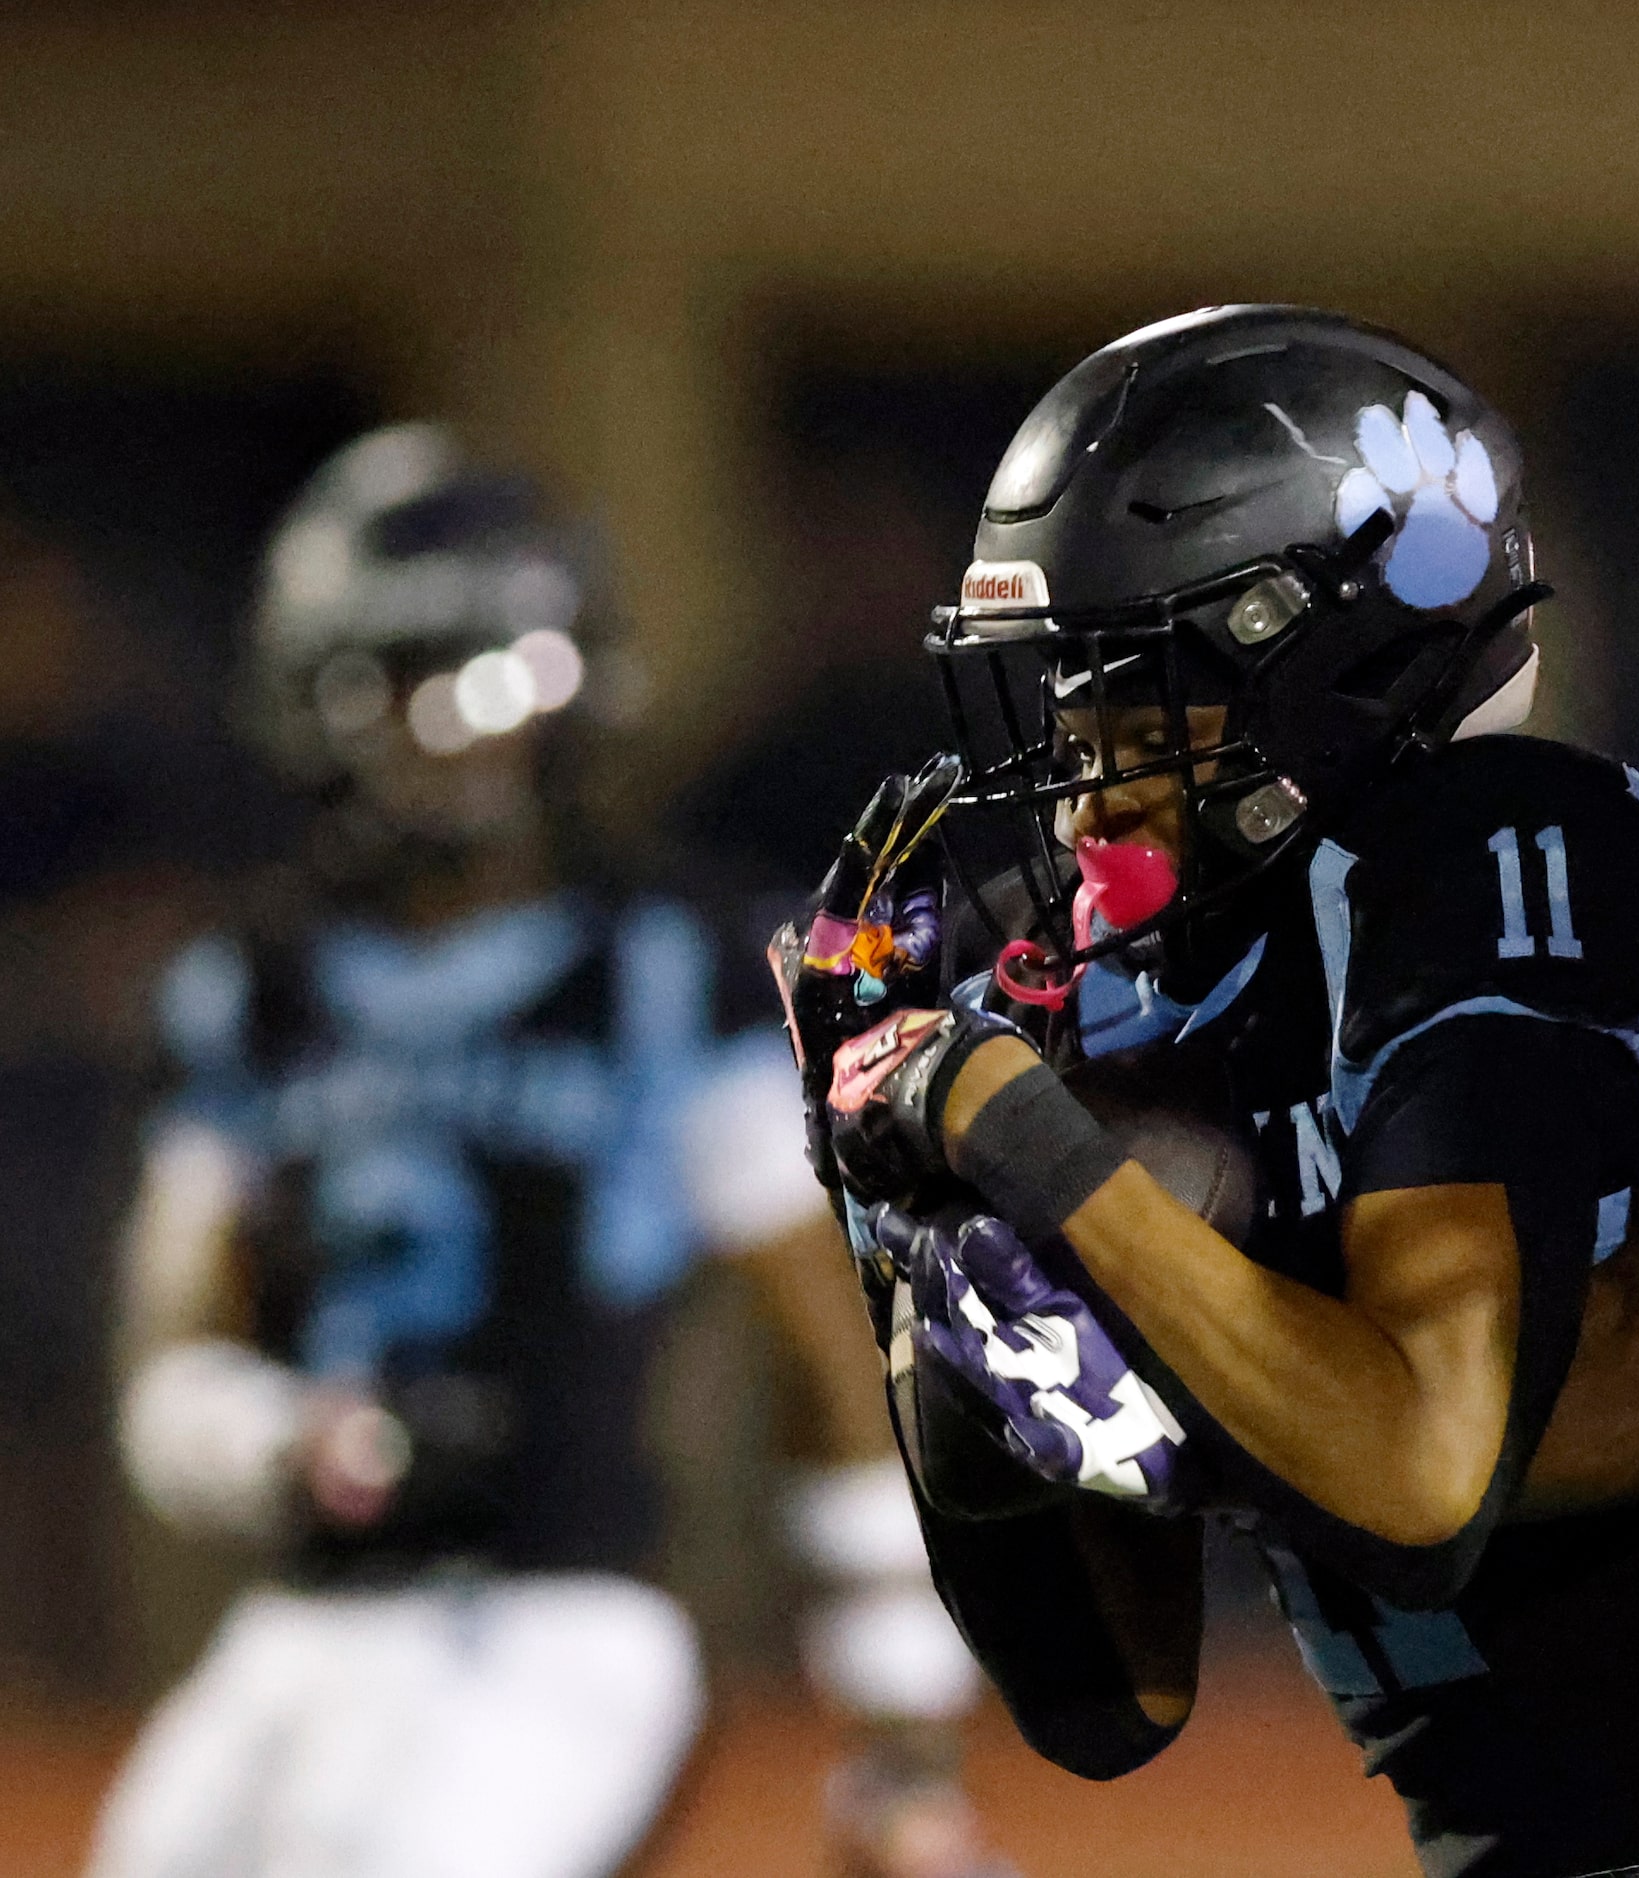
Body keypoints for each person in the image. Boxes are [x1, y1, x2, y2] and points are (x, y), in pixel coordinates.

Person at [771, 306, 1639, 1878]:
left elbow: (1417, 1479)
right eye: (1063, 693)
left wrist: (1017, 1133)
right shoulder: (1152, 983)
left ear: (1317, 656)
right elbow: (1107, 1694)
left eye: (1132, 686)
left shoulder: (1492, 852)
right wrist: (921, 1262)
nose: (1080, 753)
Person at [92, 424, 1004, 1878]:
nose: (440, 728)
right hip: (307, 1620)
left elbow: (826, 1351)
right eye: (392, 679)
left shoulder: (673, 964)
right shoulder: (251, 986)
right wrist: (279, 1441)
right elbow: (167, 1363)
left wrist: (900, 1722)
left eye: (478, 676)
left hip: (565, 1621)